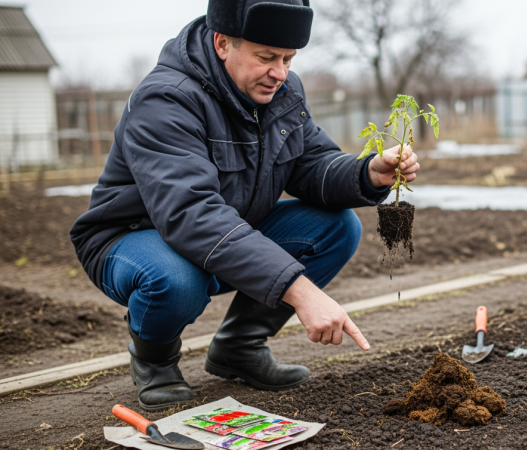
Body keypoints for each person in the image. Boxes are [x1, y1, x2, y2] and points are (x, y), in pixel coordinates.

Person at [70, 0, 420, 411]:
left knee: (337, 227)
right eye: (267, 57)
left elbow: (310, 164)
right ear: (222, 43)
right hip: (133, 238)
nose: (281, 73)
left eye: (289, 58)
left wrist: (367, 174)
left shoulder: (281, 92)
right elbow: (191, 215)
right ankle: (155, 361)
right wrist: (300, 291)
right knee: (177, 278)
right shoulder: (166, 99)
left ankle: (238, 348)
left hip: (223, 232)